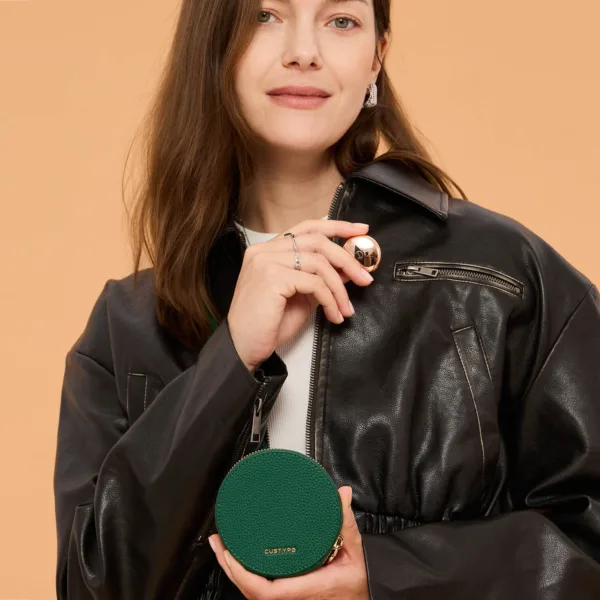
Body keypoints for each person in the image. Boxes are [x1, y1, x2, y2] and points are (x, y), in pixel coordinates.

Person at [52, 0, 600, 598]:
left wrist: (387, 576)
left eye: (341, 21)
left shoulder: (497, 275)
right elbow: (94, 584)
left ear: (377, 57)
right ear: (213, 42)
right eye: (265, 15)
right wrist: (229, 361)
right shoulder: (129, 324)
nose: (304, 52)